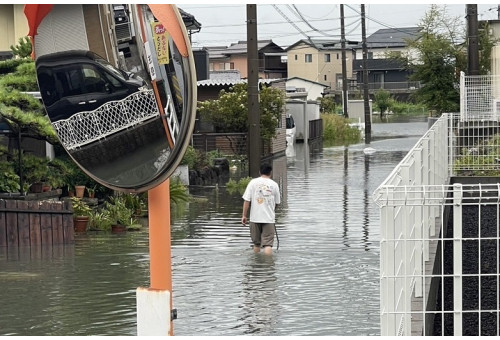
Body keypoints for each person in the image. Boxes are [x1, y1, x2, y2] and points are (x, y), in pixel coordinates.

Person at [241, 163, 281, 255]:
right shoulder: (274, 185)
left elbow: (247, 200)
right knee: (268, 245)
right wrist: (272, 212)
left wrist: (244, 216)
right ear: (270, 173)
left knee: (256, 244)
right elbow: (277, 203)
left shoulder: (253, 182)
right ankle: (268, 265)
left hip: (255, 218)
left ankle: (256, 265)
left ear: (260, 172)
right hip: (269, 219)